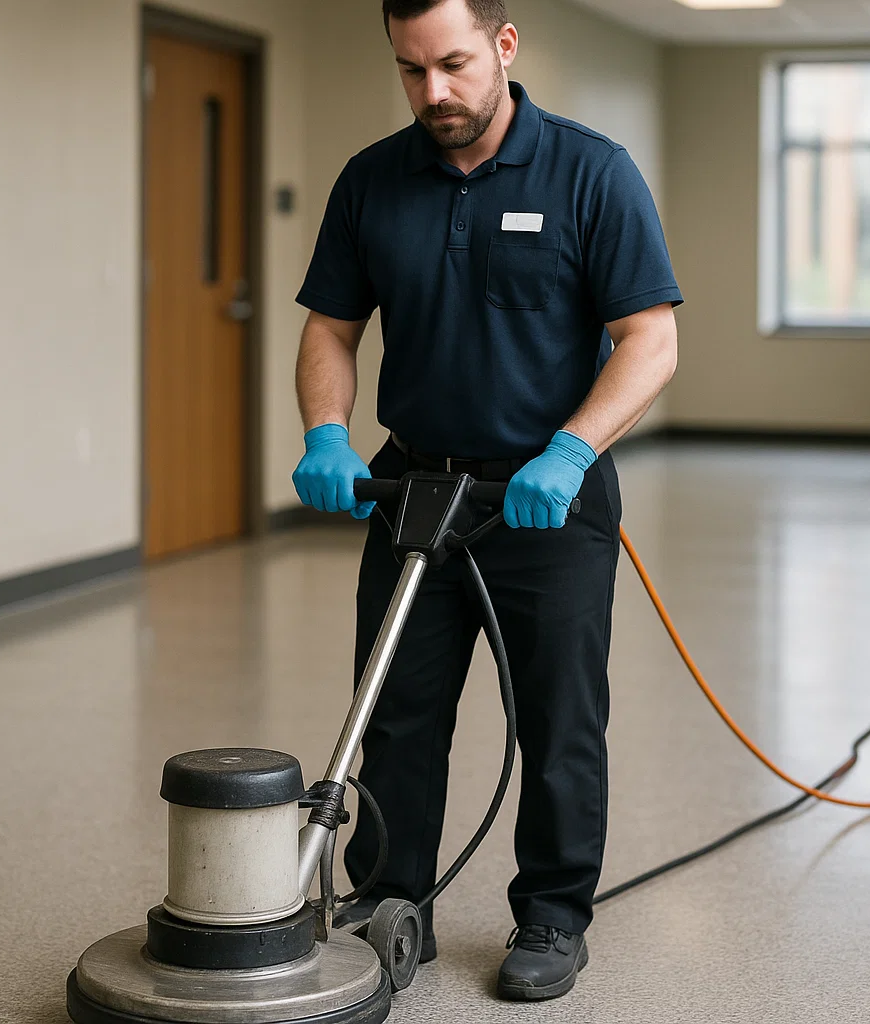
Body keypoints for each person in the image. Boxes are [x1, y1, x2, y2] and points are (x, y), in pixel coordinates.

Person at [292, 0, 681, 1002]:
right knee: (399, 708)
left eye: (454, 65)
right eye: (410, 71)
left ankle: (552, 913)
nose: (434, 93)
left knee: (557, 717)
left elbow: (649, 336)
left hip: (545, 499)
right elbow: (332, 328)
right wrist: (327, 432)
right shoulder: (372, 179)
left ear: (504, 46)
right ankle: (387, 898)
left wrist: (571, 449)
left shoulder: (591, 171)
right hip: (414, 487)